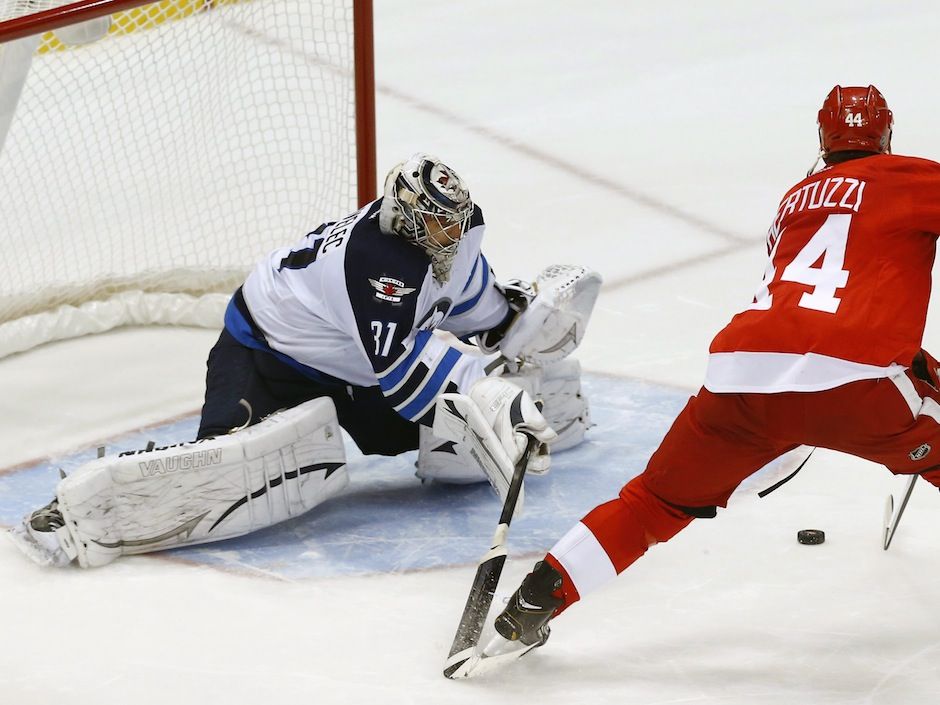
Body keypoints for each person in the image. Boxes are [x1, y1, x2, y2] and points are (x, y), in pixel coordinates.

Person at [490, 85, 940, 656]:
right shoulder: (911, 176)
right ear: (887, 135)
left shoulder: (795, 197)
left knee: (654, 500)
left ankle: (535, 599)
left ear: (824, 138)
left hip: (743, 378)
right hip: (855, 380)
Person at [11, 153, 599, 568]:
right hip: (266, 347)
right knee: (230, 463)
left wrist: (531, 336)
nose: (449, 233)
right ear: (406, 220)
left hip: (350, 363)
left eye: (454, 220)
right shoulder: (378, 263)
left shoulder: (460, 242)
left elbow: (487, 317)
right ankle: (87, 512)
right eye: (435, 223)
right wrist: (489, 391)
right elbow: (402, 376)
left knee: (421, 436)